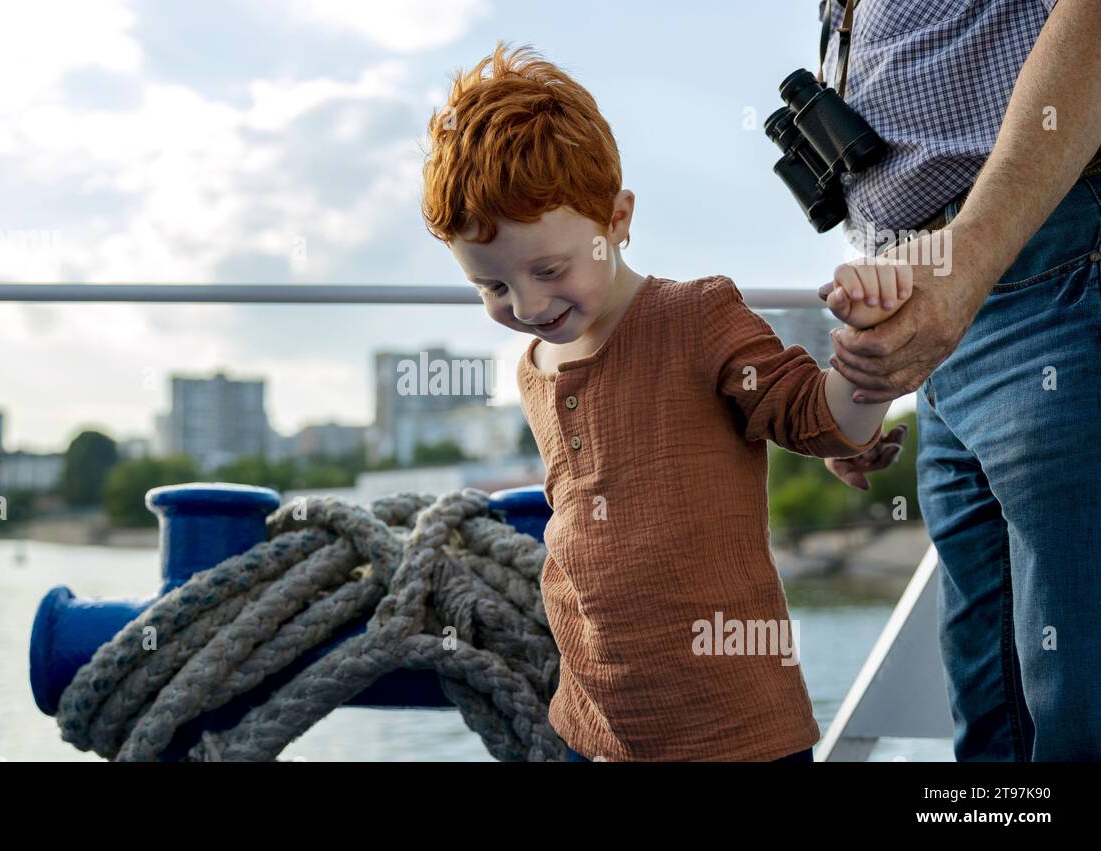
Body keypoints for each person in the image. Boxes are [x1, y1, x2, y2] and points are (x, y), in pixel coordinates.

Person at [419, 41, 907, 761]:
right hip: (593, 726)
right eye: (492, 287)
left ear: (616, 220)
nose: (526, 303)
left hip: (737, 733)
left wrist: (866, 361)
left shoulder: (696, 316)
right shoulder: (533, 367)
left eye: (548, 268)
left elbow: (818, 417)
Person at [813, 0, 1101, 760]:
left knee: (1077, 725)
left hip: (1048, 269)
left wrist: (967, 259)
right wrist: (871, 369)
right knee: (991, 735)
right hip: (954, 309)